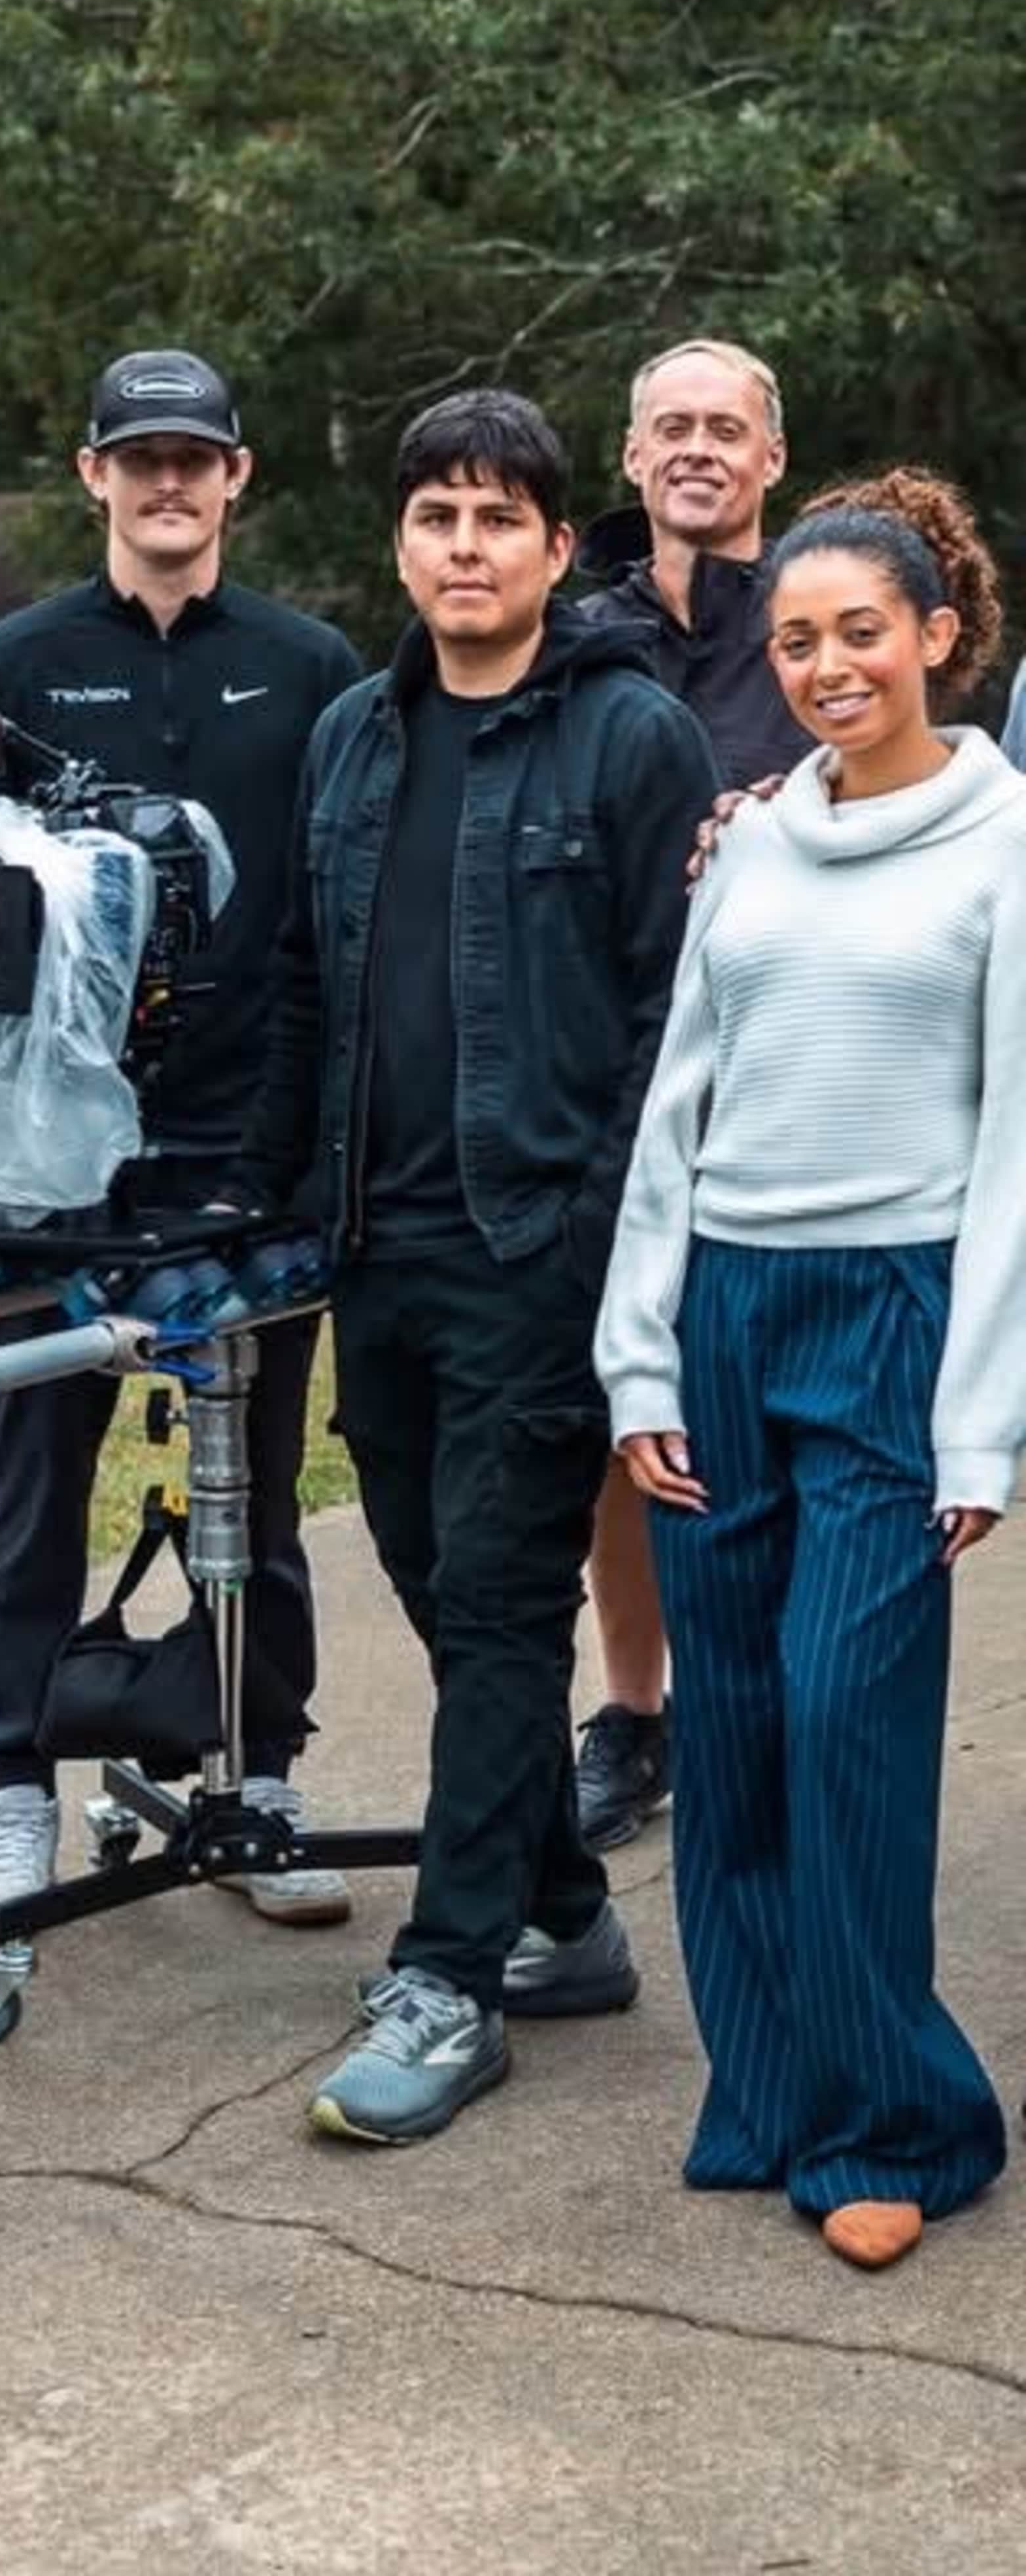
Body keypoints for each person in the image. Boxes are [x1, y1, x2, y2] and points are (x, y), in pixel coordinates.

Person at [232, 390, 717, 2146]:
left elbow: (678, 1011)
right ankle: (571, 1921)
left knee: (506, 1602)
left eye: (497, 518)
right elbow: (303, 975)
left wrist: (610, 1231)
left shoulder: (631, 738)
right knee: (446, 1594)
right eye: (436, 516)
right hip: (382, 1243)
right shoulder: (358, 736)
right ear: (402, 544)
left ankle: (452, 1977)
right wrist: (269, 1202)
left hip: (542, 1247)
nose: (463, 547)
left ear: (549, 542)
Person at [596, 470, 1019, 2272]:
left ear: (935, 638)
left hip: (899, 1316)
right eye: (798, 642)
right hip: (723, 1315)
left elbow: (1017, 1147)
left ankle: (896, 2119)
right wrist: (641, 1363)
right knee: (743, 1726)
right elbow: (678, 1101)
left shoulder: (1007, 846)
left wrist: (980, 1416)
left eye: (862, 632)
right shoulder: (751, 838)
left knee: (849, 1720)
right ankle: (767, 2085)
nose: (832, 665)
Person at [0, 349, 362, 1938]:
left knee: (252, 1465)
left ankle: (255, 1773)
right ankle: (8, 1790)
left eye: (194, 458)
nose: (166, 484)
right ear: (90, 472)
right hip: (54, 1144)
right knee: (30, 1465)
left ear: (237, 475)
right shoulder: (9, 658)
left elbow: (340, 896)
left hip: (249, 1131)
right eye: (138, 458)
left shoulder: (312, 663)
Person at [569, 338, 806, 1853]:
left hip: (783, 1095)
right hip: (598, 1088)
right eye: (672, 426)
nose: (698, 448)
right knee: (618, 1422)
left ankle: (764, 1702)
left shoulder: (810, 626)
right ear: (632, 453)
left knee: (765, 1419)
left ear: (769, 460)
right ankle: (635, 1709)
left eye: (726, 427)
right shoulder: (567, 629)